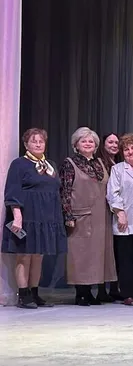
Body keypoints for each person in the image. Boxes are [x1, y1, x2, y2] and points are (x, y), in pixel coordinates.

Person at [3, 128, 66, 308]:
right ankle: (23, 295)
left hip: (46, 217)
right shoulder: (19, 164)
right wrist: (17, 216)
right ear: (26, 144)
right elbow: (13, 191)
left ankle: (34, 292)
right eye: (34, 141)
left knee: (38, 256)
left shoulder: (50, 165)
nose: (38, 144)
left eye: (41, 141)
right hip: (28, 216)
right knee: (24, 256)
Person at [59, 127, 118, 306]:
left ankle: (93, 291)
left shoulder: (100, 163)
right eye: (83, 141)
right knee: (80, 254)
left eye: (91, 141)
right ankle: (81, 293)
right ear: (76, 145)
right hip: (80, 215)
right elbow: (65, 191)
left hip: (102, 216)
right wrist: (68, 215)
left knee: (98, 255)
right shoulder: (69, 163)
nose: (87, 144)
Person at [106, 133, 133, 306]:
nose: (130, 152)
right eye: (126, 149)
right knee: (126, 259)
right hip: (125, 220)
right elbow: (112, 193)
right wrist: (120, 213)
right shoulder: (117, 169)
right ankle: (128, 294)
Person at [96, 132, 123, 301]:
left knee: (115, 252)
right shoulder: (99, 163)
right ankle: (101, 289)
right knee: (102, 250)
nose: (114, 145)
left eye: (116, 143)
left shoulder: (120, 164)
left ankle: (114, 287)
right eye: (110, 142)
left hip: (116, 211)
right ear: (103, 144)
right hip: (102, 210)